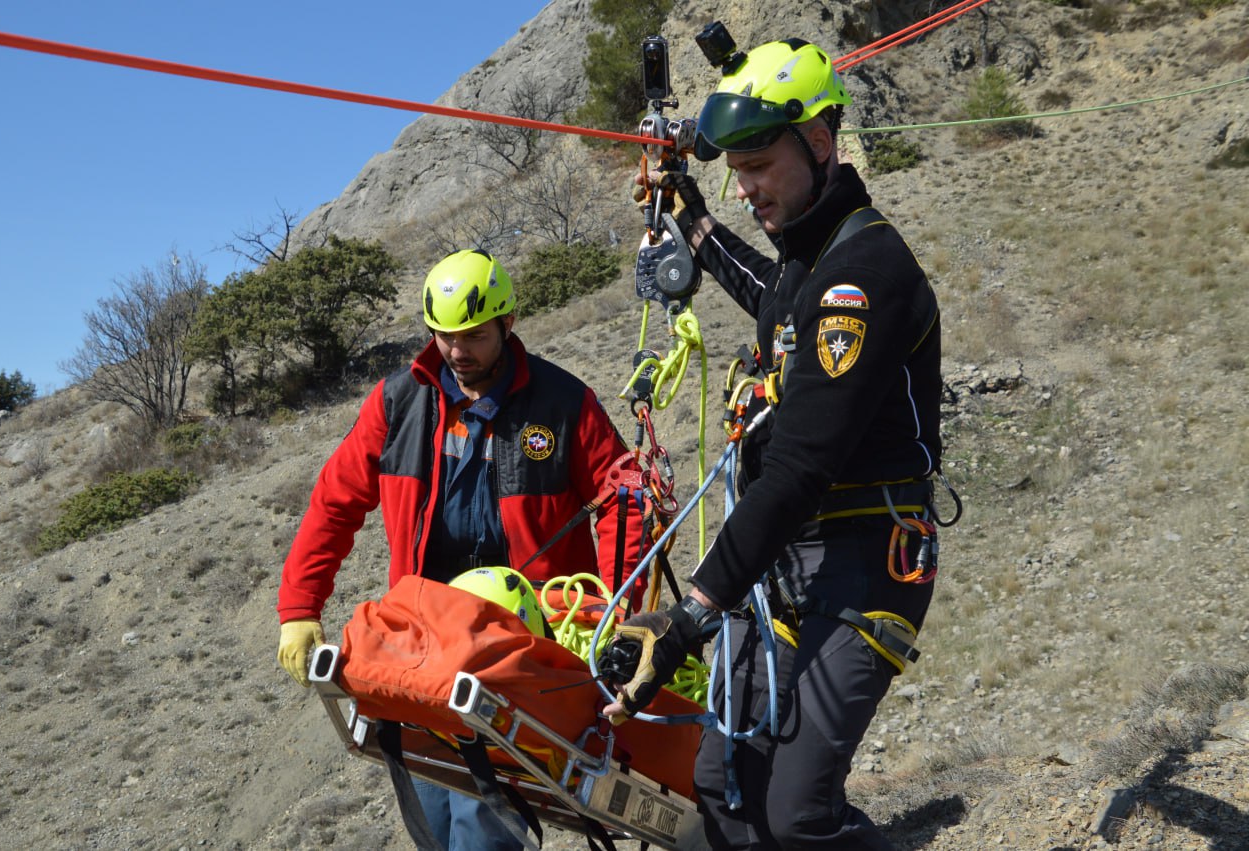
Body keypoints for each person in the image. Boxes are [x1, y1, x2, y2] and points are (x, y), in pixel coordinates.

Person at [604, 38, 943, 850]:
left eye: (758, 165)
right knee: (722, 787)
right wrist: (689, 210)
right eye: (736, 170)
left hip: (865, 557)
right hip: (785, 564)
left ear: (819, 143)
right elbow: (769, 297)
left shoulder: (862, 275)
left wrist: (691, 614)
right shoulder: (810, 257)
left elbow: (797, 469)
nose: (746, 186)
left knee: (796, 815)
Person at [277, 248, 646, 851]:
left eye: (473, 335)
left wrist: (619, 615)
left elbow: (623, 501)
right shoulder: (399, 404)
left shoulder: (562, 403)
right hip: (424, 641)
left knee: (484, 822)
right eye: (443, 335)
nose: (456, 350)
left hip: (521, 645)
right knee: (434, 811)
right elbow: (334, 503)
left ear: (508, 323)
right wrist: (299, 609)